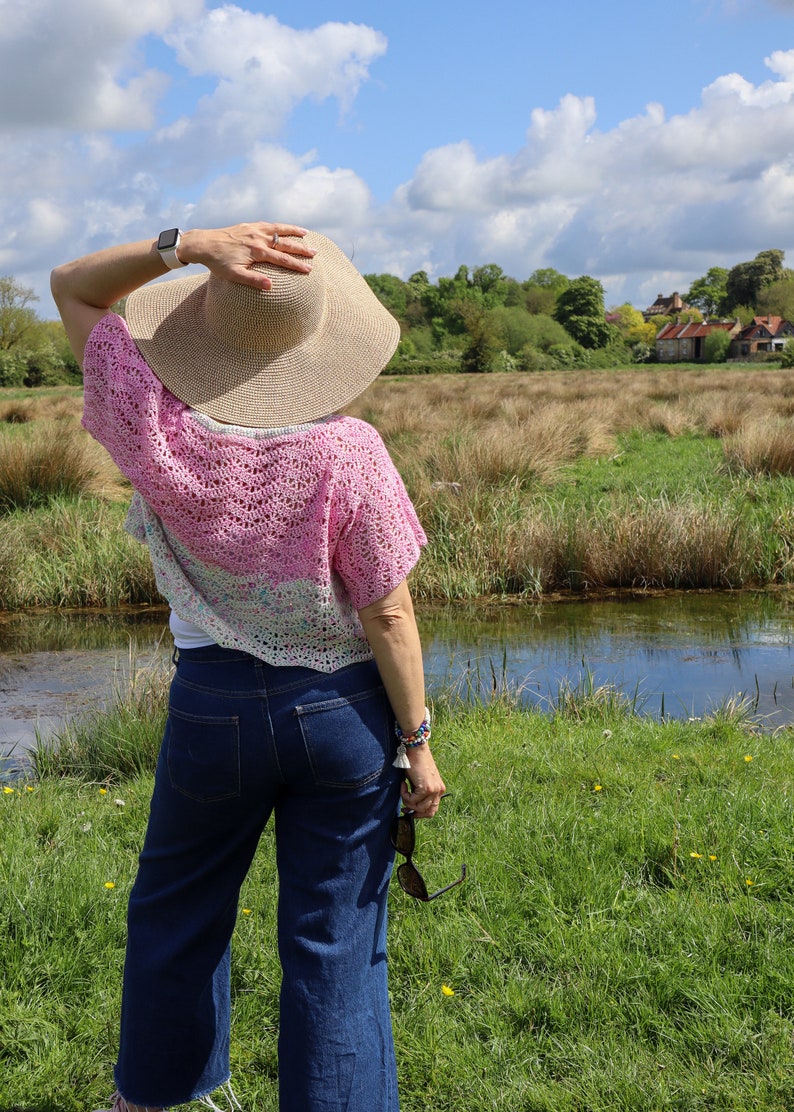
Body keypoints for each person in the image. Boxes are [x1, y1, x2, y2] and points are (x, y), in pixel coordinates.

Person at [50, 221, 446, 1112]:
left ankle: (153, 1099)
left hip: (211, 708)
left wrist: (186, 244)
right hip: (344, 716)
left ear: (205, 323)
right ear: (320, 342)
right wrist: (417, 741)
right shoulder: (350, 452)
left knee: (177, 911)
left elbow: (72, 286)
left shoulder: (154, 424)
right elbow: (388, 611)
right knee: (334, 939)